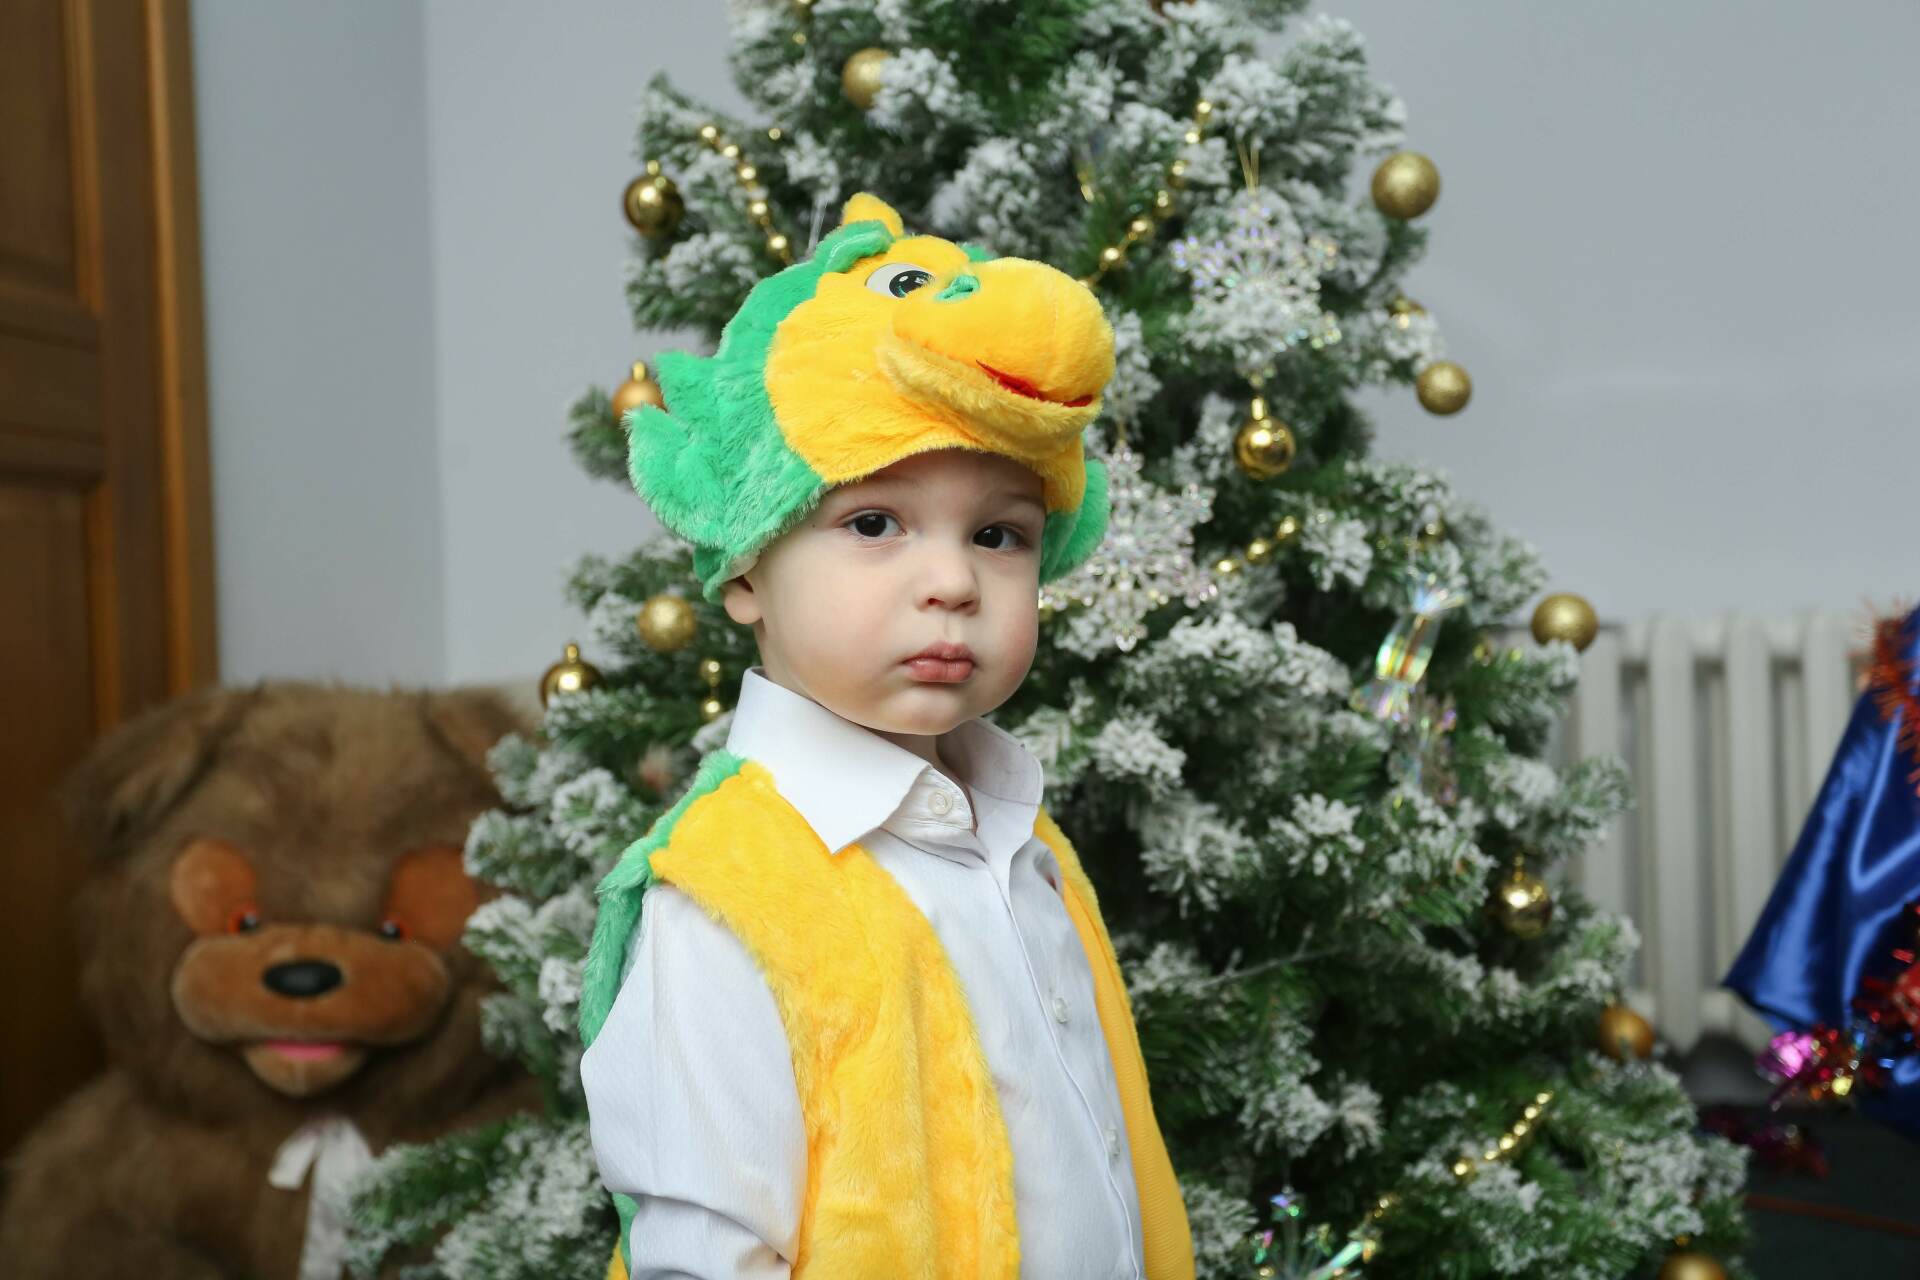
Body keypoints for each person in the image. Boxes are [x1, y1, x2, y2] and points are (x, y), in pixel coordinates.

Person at [577, 192, 1194, 1279]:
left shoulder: (1027, 843)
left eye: (999, 534)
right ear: (746, 564)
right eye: (873, 522)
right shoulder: (726, 897)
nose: (953, 580)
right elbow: (706, 1255)